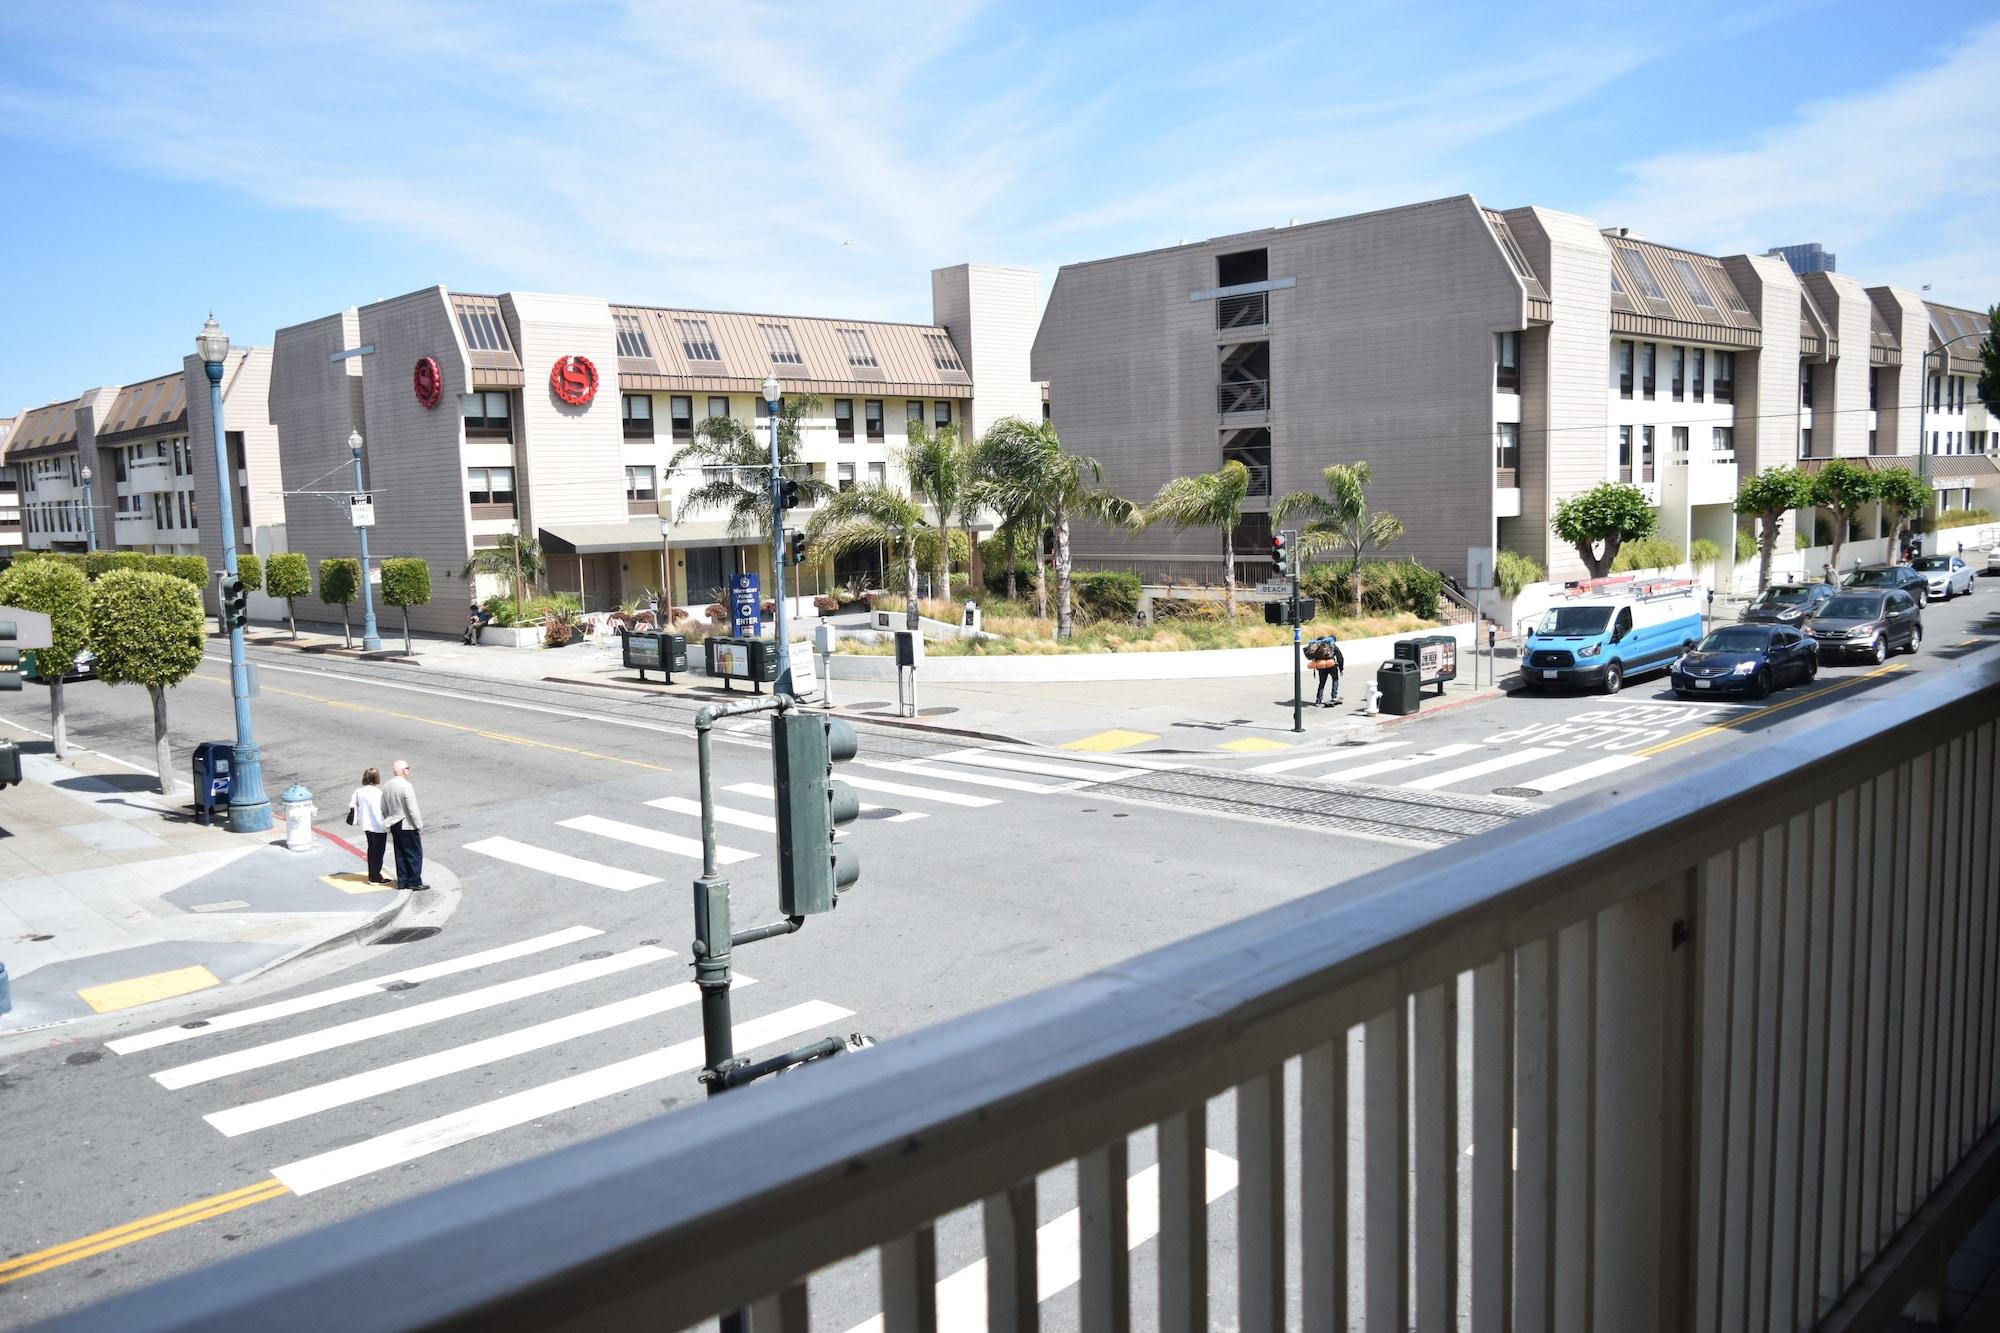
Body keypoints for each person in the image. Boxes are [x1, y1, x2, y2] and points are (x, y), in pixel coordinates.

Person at [380, 758, 429, 891]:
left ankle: (403, 881)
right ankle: (415, 881)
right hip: (406, 823)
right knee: (414, 853)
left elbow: (383, 807)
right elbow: (412, 808)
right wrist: (418, 824)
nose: (408, 770)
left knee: (400, 853)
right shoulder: (406, 785)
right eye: (407, 768)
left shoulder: (387, 785)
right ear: (403, 771)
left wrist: (389, 818)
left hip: (394, 822)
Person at [345, 767, 390, 885]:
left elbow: (354, 805)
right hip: (377, 826)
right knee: (378, 852)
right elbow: (377, 812)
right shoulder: (377, 793)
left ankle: (373, 874)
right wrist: (385, 826)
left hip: (365, 825)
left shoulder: (359, 791)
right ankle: (375, 877)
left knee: (371, 849)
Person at [1304, 632, 1344, 706]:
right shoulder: (1332, 646)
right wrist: (1341, 669)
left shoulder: (1317, 647)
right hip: (1331, 665)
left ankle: (1318, 701)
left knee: (1321, 683)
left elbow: (1313, 657)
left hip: (1321, 667)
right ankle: (1334, 696)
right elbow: (1340, 657)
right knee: (1335, 679)